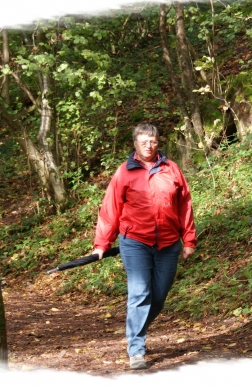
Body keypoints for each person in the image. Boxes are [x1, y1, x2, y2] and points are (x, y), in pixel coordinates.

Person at [92, 123, 196, 370]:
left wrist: (189, 239)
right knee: (140, 293)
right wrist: (101, 244)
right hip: (135, 241)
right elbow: (110, 209)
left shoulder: (171, 169)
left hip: (169, 242)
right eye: (143, 141)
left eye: (153, 141)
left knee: (158, 296)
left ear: (158, 142)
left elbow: (185, 205)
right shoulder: (124, 173)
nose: (149, 145)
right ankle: (136, 349)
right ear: (135, 144)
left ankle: (134, 330)